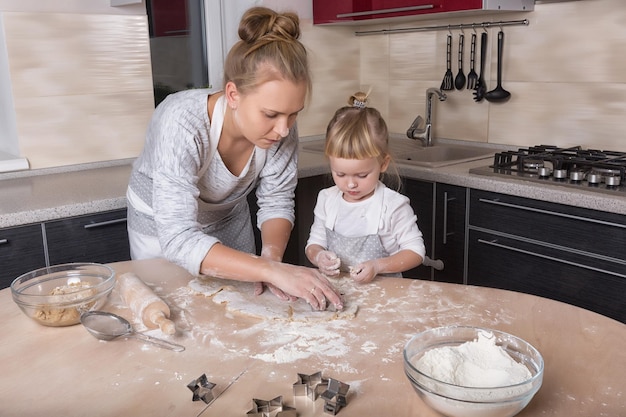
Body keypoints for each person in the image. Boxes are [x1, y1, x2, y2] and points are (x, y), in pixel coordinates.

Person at [126, 6, 342, 311]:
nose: (283, 129)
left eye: (293, 114)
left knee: (240, 315)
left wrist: (270, 259)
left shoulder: (281, 132)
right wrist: (269, 270)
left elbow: (277, 201)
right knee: (179, 315)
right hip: (162, 232)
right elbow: (179, 239)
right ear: (233, 95)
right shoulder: (181, 122)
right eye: (271, 114)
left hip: (228, 222)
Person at [305, 91, 426, 283]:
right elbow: (314, 244)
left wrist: (378, 266)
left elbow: (416, 251)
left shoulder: (393, 206)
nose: (351, 183)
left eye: (362, 175)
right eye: (340, 174)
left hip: (385, 296)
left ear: (383, 164)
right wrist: (319, 256)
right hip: (339, 291)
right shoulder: (327, 199)